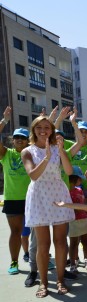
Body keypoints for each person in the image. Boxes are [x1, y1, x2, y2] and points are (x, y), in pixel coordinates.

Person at [21, 116, 75, 298]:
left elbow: (68, 171)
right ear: (33, 130)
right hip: (38, 196)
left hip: (58, 193)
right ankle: (43, 283)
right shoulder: (27, 151)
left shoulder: (57, 148)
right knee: (43, 244)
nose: (43, 130)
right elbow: (33, 176)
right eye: (39, 127)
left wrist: (61, 151)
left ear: (52, 130)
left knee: (60, 242)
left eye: (47, 127)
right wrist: (46, 158)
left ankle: (60, 280)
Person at [0, 106, 31, 275]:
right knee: (15, 232)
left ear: (27, 141)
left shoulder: (31, 153)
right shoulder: (6, 154)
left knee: (36, 232)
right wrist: (4, 120)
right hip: (12, 199)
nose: (19, 139)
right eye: (17, 137)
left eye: (23, 137)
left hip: (31, 198)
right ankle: (14, 261)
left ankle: (39, 257)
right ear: (13, 140)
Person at [67, 166, 87, 273]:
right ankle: (73, 264)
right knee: (73, 244)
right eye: (79, 179)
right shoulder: (66, 191)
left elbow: (84, 203)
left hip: (83, 219)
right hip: (72, 221)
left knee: (85, 242)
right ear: (74, 179)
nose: (81, 181)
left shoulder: (80, 190)